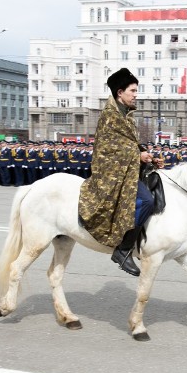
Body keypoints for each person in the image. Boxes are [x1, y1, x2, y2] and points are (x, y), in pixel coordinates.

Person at [78, 68, 155, 277]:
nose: (136, 94)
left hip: (128, 169)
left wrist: (144, 154)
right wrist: (136, 155)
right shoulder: (110, 117)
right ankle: (123, 249)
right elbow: (108, 149)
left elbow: (128, 143)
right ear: (120, 92)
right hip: (111, 173)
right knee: (147, 201)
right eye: (133, 90)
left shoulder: (126, 116)